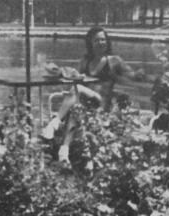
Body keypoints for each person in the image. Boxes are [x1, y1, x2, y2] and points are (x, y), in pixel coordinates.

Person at [42, 26, 138, 163]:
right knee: (76, 108)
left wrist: (139, 75)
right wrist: (64, 73)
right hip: (88, 102)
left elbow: (132, 75)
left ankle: (54, 123)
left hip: (102, 103)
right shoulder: (86, 61)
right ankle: (64, 151)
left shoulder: (114, 60)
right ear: (90, 43)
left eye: (103, 40)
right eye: (96, 40)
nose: (100, 43)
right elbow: (77, 77)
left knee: (77, 88)